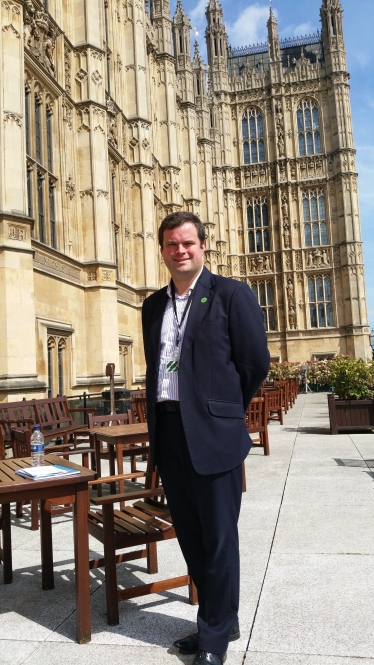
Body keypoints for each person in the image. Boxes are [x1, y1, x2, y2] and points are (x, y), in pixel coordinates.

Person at [142, 211, 270, 665]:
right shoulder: (153, 305)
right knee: (191, 538)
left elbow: (256, 363)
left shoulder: (230, 294)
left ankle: (214, 638)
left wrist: (222, 409)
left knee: (218, 538)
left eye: (188, 243)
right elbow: (157, 368)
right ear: (162, 251)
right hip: (169, 431)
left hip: (213, 433)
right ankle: (221, 616)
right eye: (172, 245)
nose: (180, 250)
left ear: (202, 247)